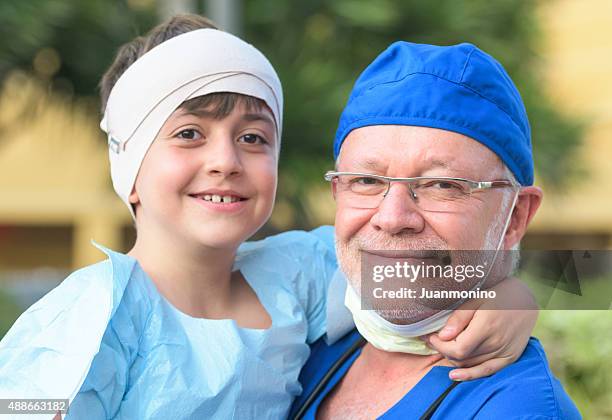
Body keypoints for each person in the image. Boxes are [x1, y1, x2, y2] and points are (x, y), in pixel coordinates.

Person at [0, 16, 539, 420]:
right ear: (129, 168)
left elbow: (432, 267)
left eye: (253, 138)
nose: (225, 161)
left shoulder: (297, 274)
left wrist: (513, 296)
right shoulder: (88, 316)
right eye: (188, 134)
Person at [291, 42, 581, 419]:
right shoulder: (303, 342)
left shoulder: (517, 408)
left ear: (514, 217)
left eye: (442, 185)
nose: (393, 218)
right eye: (366, 180)